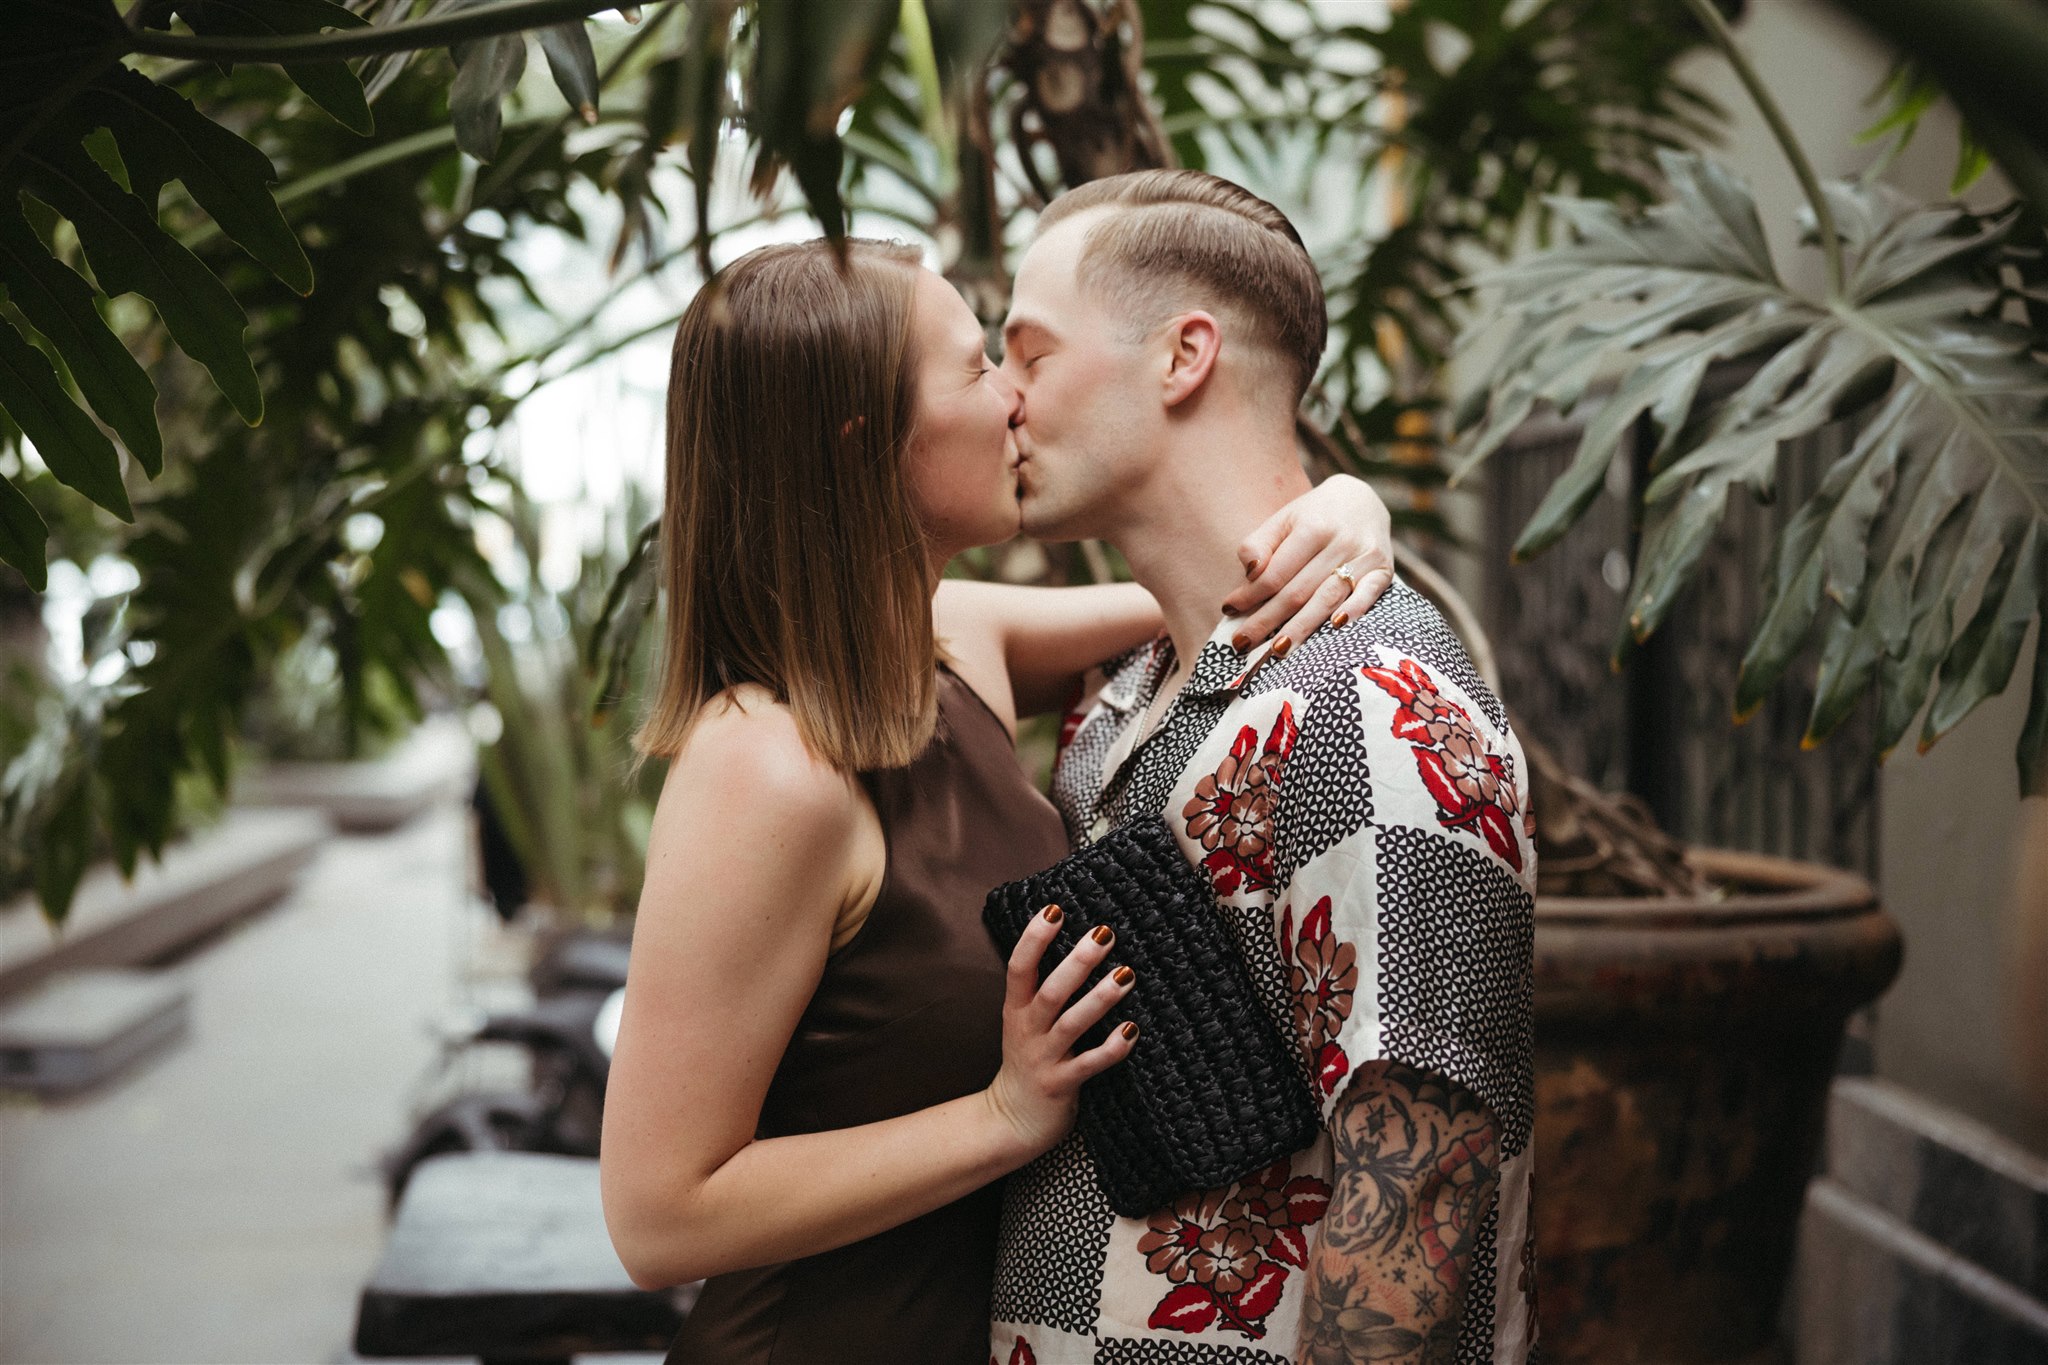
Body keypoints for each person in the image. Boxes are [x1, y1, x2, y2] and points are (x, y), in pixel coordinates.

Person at [597, 236, 1398, 1365]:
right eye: (976, 368)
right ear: (869, 444)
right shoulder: (763, 768)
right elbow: (657, 1216)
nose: (1013, 400)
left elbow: (1209, 582)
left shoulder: (947, 640)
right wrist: (1000, 1117)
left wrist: (1349, 509)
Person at [988, 171, 1537, 1364]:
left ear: (1183, 356)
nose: (1005, 403)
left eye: (1028, 355)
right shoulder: (1130, 695)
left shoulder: (1367, 700)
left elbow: (1422, 1185)